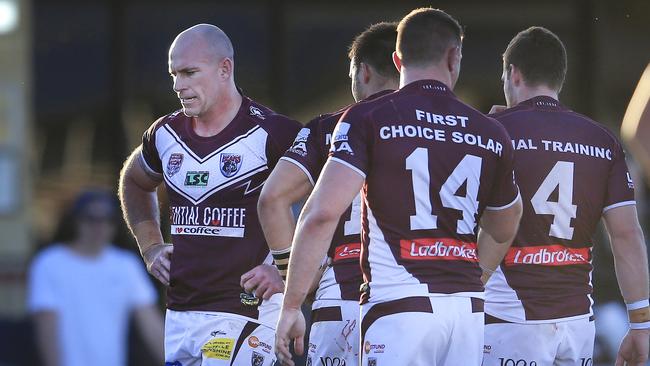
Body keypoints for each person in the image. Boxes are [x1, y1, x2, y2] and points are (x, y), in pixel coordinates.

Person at [274, 8, 523, 366]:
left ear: (397, 58)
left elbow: (321, 214)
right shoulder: (490, 131)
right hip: (466, 312)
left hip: (399, 306)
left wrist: (292, 304)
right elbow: (503, 227)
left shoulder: (366, 117)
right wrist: (475, 276)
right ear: (454, 58)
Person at [118, 24, 301, 366]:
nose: (178, 85)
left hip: (246, 311)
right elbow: (134, 181)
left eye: (189, 72)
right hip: (180, 313)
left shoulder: (274, 132)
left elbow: (331, 204)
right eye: (173, 74)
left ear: (224, 69)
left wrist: (290, 271)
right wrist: (151, 246)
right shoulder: (164, 133)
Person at [482, 26, 650, 366]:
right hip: (577, 324)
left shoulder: (493, 133)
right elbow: (627, 235)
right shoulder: (603, 141)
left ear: (512, 74)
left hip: (508, 318)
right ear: (560, 77)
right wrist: (641, 324)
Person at [257, 22, 399, 366]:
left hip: (340, 297)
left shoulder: (328, 127)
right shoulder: (442, 130)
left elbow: (272, 199)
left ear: (362, 72)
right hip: (412, 303)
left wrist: (294, 275)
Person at [27, 189, 164, 366]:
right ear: (76, 221)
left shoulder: (126, 265)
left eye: (107, 219)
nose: (99, 226)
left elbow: (151, 326)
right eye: (90, 218)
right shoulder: (49, 264)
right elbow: (46, 329)